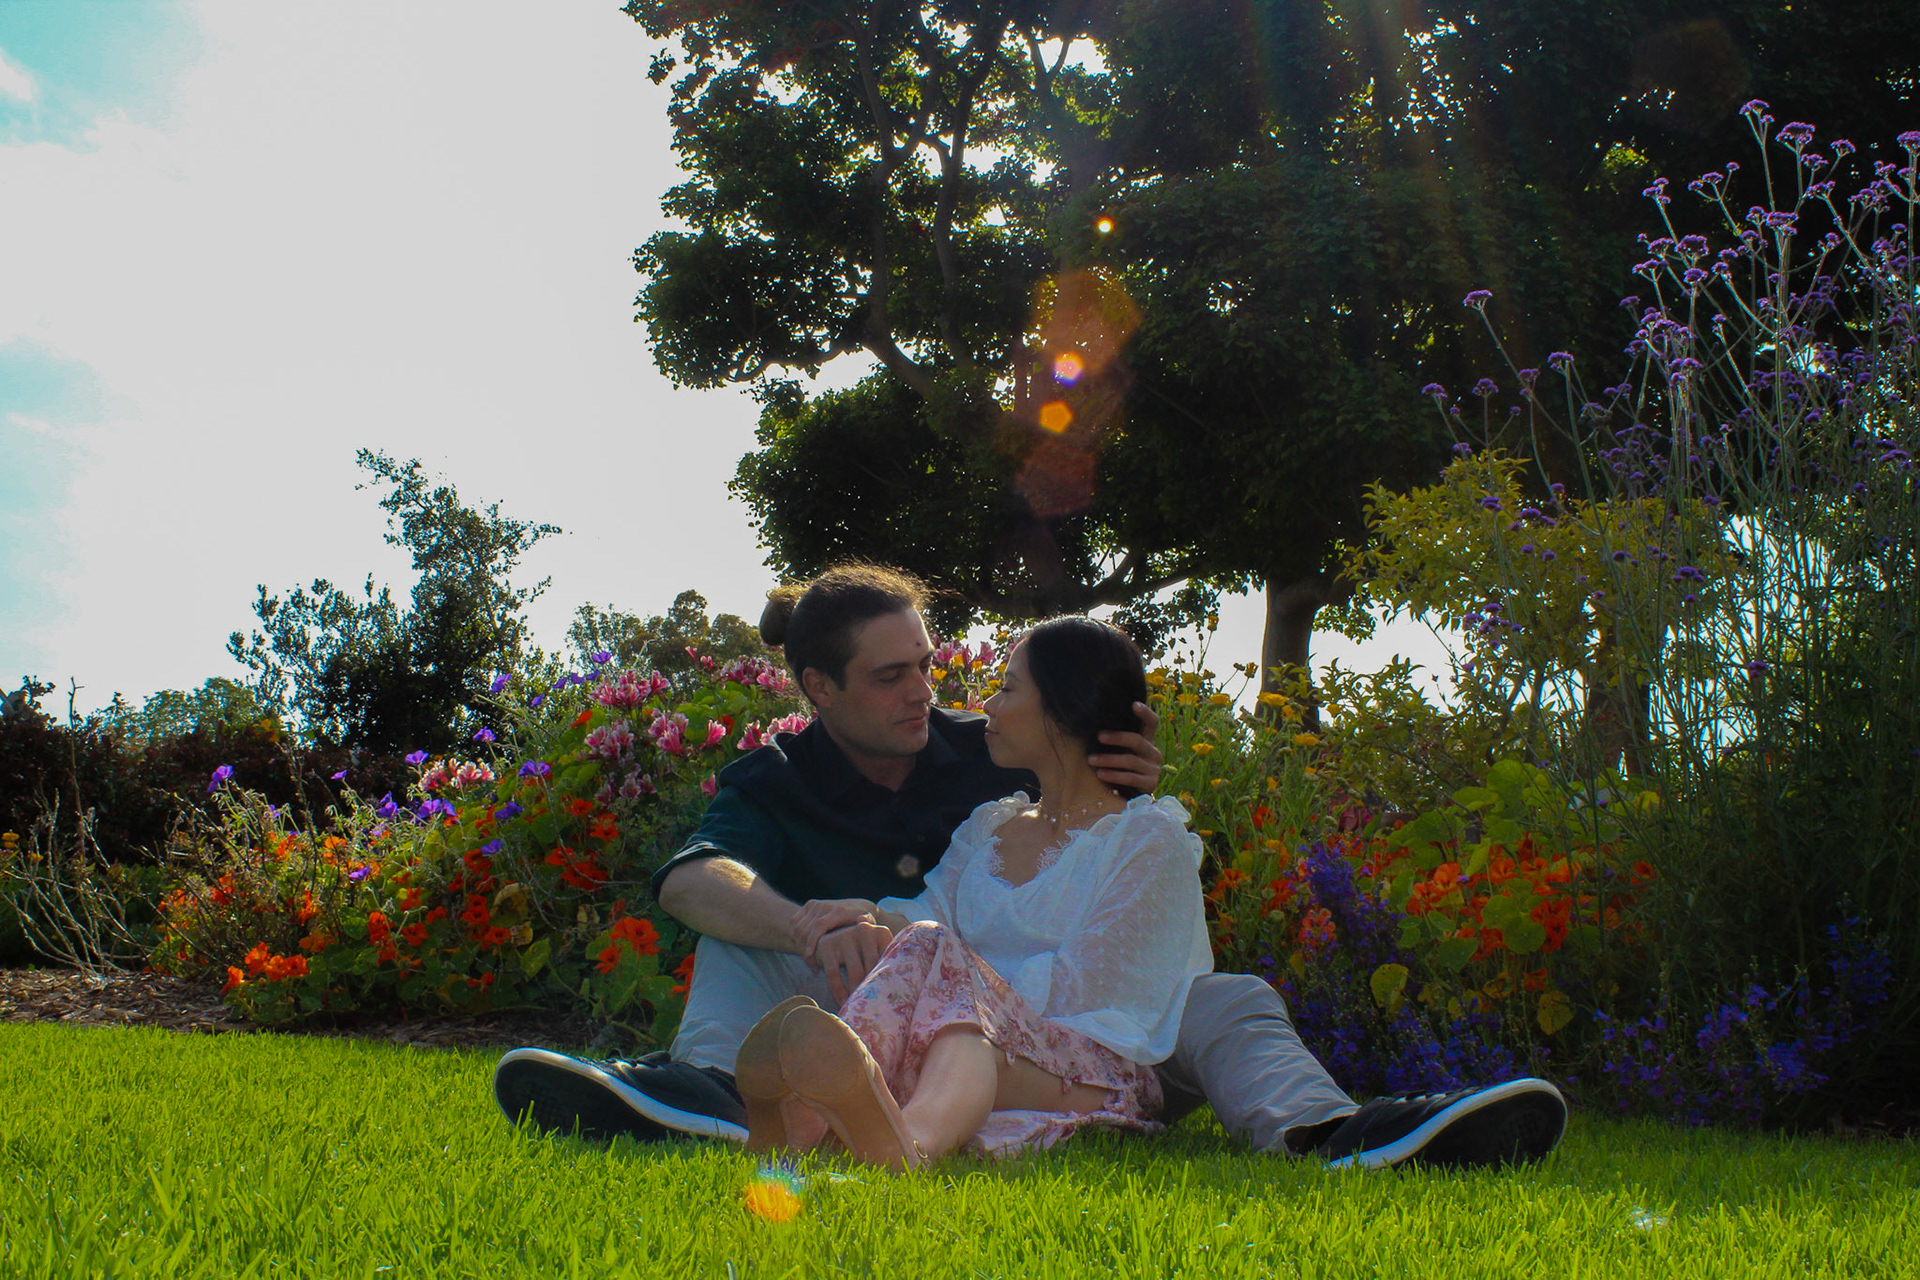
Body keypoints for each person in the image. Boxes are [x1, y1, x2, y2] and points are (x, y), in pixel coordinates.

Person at [494, 564, 1568, 1169]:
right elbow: (698, 880)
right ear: (820, 688)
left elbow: (1110, 932)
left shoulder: (999, 755)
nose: (931, 695)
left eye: (932, 667)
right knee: (754, 944)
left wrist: (1124, 775)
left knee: (1229, 995)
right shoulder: (788, 780)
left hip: (1074, 1035)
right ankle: (710, 1098)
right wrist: (824, 921)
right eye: (891, 678)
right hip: (920, 1010)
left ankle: (1339, 1131)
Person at [736, 616, 1209, 1166]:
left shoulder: (1146, 838)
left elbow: (1092, 991)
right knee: (953, 1012)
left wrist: (964, 982)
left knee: (947, 990)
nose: (989, 704)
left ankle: (823, 1114)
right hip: (970, 1042)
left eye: (1008, 688)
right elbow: (928, 914)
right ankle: (873, 1133)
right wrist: (863, 915)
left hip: (1094, 1069)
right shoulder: (991, 825)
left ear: (1064, 709)